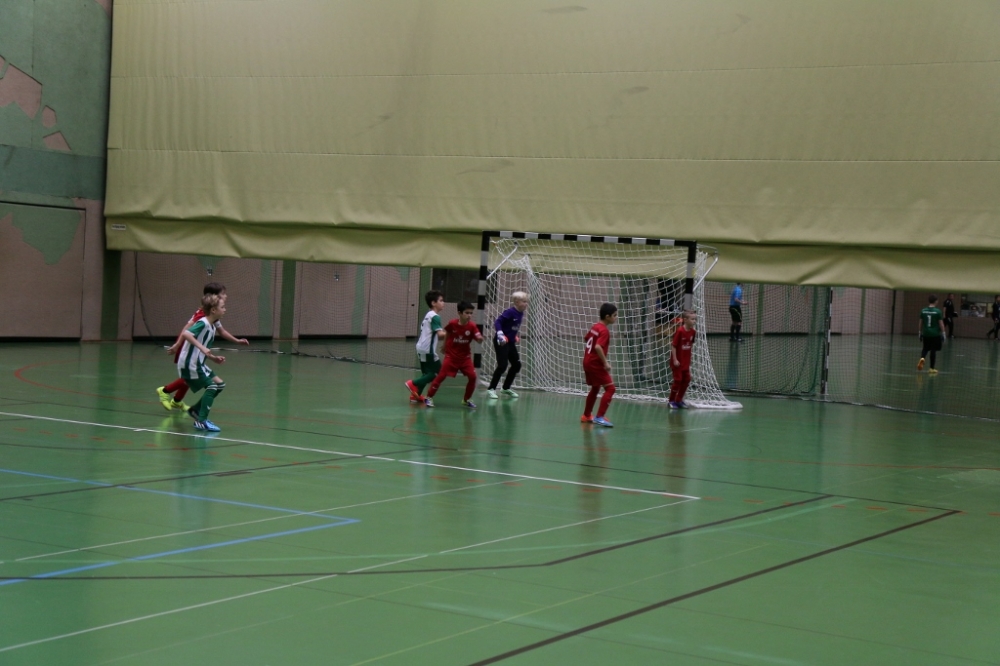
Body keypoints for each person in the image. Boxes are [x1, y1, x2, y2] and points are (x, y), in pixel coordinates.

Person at [156, 283, 247, 411]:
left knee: (191, 376)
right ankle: (165, 390)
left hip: (197, 349)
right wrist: (177, 345)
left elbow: (222, 331)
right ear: (214, 296)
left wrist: (237, 341)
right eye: (223, 294)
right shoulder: (202, 315)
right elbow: (187, 329)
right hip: (187, 345)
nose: (226, 296)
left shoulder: (214, 315)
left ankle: (176, 401)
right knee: (190, 377)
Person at [177, 293, 228, 431]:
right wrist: (202, 348)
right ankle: (201, 421)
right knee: (212, 387)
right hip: (189, 363)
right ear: (213, 310)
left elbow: (202, 349)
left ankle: (196, 410)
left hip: (197, 362)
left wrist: (213, 358)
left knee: (220, 385)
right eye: (222, 307)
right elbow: (186, 333)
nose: (225, 309)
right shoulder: (203, 323)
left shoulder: (211, 326)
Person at [425, 301, 484, 408]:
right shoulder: (452, 323)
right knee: (441, 376)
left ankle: (466, 400)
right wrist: (444, 346)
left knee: (473, 377)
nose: (469, 315)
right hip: (451, 356)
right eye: (467, 313)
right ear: (459, 313)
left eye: (471, 313)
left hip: (465, 358)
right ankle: (429, 397)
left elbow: (478, 337)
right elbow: (448, 332)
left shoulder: (472, 326)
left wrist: (480, 339)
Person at [581, 303, 618, 427]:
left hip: (587, 361)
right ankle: (599, 417)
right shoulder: (604, 330)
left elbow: (587, 338)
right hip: (595, 363)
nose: (616, 318)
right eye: (614, 315)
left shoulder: (595, 327)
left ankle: (586, 415)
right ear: (607, 316)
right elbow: (597, 347)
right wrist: (605, 362)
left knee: (596, 387)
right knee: (611, 388)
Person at [405, 290, 446, 402]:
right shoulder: (435, 317)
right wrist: (453, 332)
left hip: (421, 347)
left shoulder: (428, 315)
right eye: (441, 300)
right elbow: (440, 334)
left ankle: (415, 395)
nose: (443, 303)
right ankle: (413, 383)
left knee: (426, 373)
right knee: (438, 372)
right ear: (433, 303)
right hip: (428, 349)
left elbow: (438, 336)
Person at [487, 291, 529, 399]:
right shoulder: (510, 312)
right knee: (503, 365)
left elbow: (511, 327)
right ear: (517, 302)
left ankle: (505, 388)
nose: (526, 304)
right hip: (501, 341)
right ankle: (491, 388)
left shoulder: (521, 313)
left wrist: (514, 336)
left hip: (510, 342)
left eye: (526, 302)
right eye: (524, 301)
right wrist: (500, 333)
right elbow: (498, 322)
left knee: (516, 365)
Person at [669, 310, 697, 408]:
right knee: (678, 380)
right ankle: (671, 401)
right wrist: (675, 359)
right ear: (685, 320)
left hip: (686, 362)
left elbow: (690, 345)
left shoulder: (693, 332)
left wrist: (690, 358)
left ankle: (679, 400)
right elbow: (674, 346)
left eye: (695, 319)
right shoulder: (680, 331)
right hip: (678, 362)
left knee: (687, 379)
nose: (694, 321)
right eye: (692, 319)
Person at [917, 295, 945, 375]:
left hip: (926, 333)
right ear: (936, 301)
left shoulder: (923, 311)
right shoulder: (938, 311)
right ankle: (931, 368)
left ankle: (922, 358)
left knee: (925, 348)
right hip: (935, 334)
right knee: (933, 350)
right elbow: (941, 324)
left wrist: (920, 332)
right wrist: (943, 333)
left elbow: (920, 322)